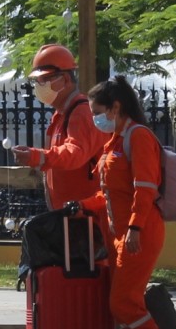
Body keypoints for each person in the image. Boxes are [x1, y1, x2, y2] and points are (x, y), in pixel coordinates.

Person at [67, 75, 176, 329]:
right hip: (120, 234)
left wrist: (134, 227)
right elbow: (109, 196)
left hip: (140, 232)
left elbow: (144, 190)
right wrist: (81, 206)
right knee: (124, 304)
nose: (95, 119)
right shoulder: (114, 142)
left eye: (97, 111)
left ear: (116, 107)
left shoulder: (139, 138)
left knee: (123, 303)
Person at [12, 44, 108, 209]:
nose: (40, 85)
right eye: (38, 81)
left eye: (45, 79)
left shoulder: (81, 112)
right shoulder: (62, 114)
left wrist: (37, 156)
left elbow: (75, 153)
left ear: (65, 79)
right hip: (72, 214)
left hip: (87, 216)